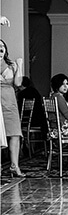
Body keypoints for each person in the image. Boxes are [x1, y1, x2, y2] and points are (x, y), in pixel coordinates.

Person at [0, 40, 23, 176]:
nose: (0, 48)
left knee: (14, 134)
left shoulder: (11, 65)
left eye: (2, 46)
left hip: (10, 103)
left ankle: (15, 166)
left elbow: (18, 83)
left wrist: (19, 65)